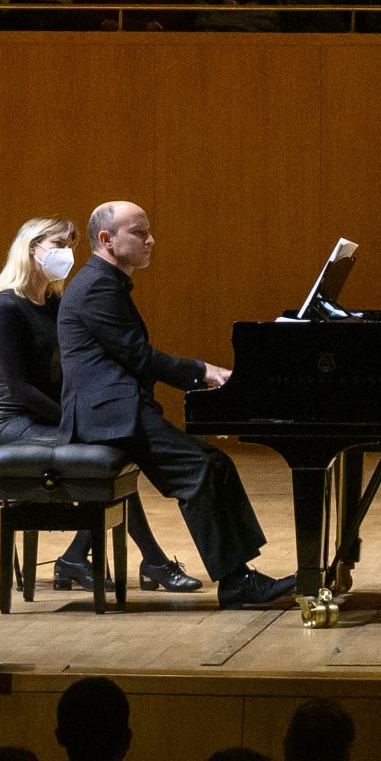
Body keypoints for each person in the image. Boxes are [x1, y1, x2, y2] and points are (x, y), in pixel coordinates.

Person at [58, 201, 292, 606]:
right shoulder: (97, 285)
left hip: (117, 410)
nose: (151, 239)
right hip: (108, 417)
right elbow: (139, 356)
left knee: (214, 464)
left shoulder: (104, 281)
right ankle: (237, 584)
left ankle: (240, 578)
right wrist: (205, 372)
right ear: (107, 240)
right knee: (202, 469)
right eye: (138, 231)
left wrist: (201, 373)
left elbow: (135, 358)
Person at [0, 217, 196, 593]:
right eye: (58, 244)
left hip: (46, 415)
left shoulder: (56, 304)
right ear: (32, 249)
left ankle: (77, 558)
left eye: (71, 246)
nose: (67, 254)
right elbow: (18, 388)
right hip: (11, 419)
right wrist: (74, 419)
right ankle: (153, 561)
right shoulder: (6, 307)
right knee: (102, 448)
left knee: (109, 447)